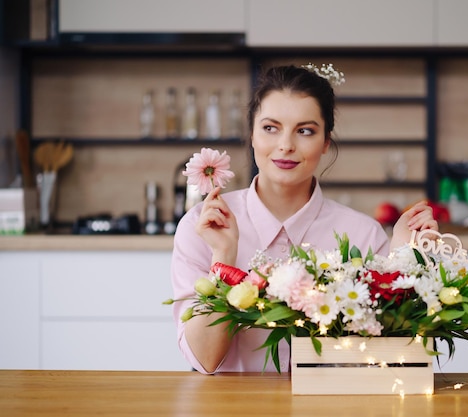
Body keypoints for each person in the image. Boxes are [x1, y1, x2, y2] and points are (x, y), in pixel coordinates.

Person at [170, 64, 438, 374]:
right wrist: (224, 259)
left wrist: (404, 259)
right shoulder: (202, 227)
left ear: (326, 142)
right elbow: (204, 359)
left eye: (305, 131)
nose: (286, 145)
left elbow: (389, 364)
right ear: (252, 136)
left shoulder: (364, 236)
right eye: (270, 128)